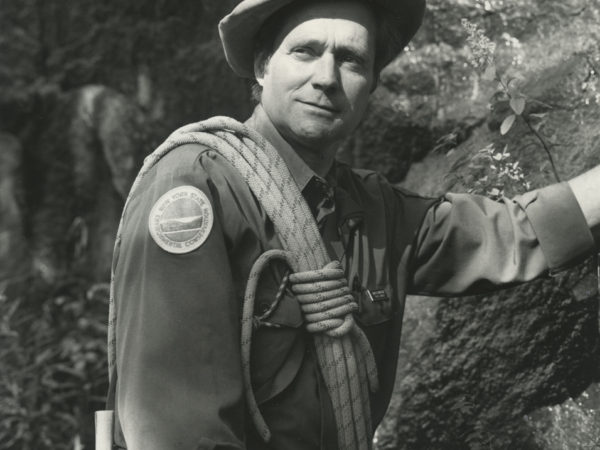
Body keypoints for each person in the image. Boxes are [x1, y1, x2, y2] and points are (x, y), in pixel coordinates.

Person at [107, 0, 600, 448]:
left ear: (372, 86)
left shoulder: (369, 208)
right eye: (305, 51)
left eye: (351, 60)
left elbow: (507, 232)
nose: (327, 77)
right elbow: (177, 430)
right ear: (262, 66)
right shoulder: (198, 186)